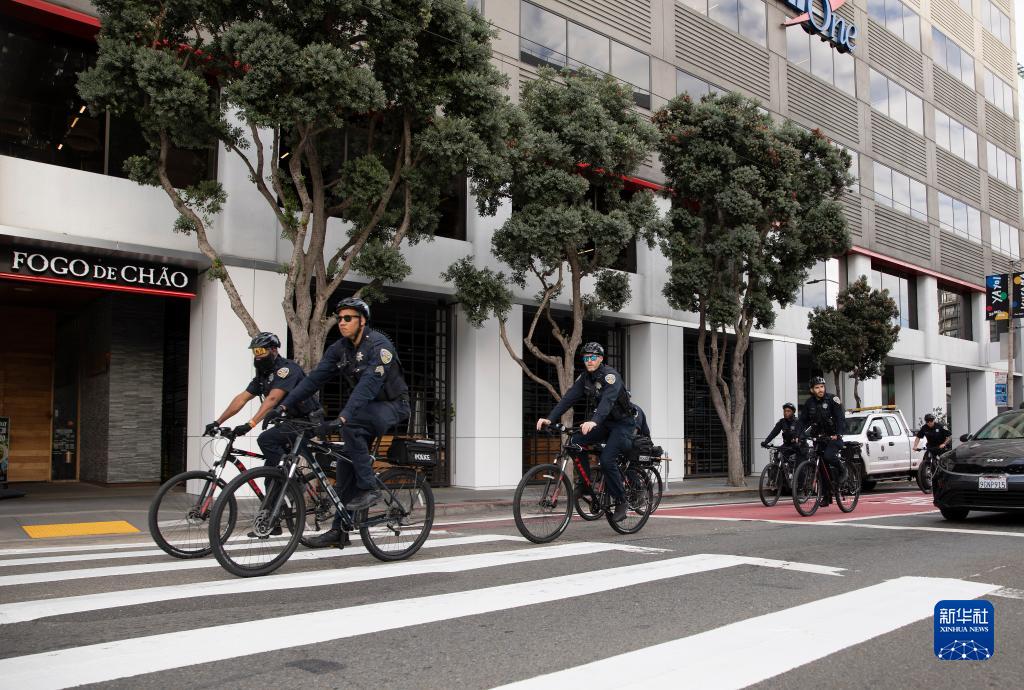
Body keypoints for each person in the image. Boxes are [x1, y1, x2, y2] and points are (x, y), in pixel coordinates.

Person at [274, 297, 410, 549]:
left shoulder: (379, 346)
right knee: (345, 467)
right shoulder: (340, 348)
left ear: (363, 321)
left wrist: (344, 416)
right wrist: (283, 405)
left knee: (351, 426)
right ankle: (340, 530)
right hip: (366, 408)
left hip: (393, 405)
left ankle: (370, 487)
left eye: (348, 318)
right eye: (339, 318)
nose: (342, 323)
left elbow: (368, 385)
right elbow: (313, 380)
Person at [536, 342, 634, 523]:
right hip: (604, 423)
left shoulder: (611, 376)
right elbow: (568, 399)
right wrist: (550, 418)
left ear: (601, 359)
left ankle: (621, 501)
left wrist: (594, 421)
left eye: (593, 357)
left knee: (607, 460)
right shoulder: (585, 378)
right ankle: (585, 482)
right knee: (575, 442)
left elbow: (607, 402)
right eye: (586, 358)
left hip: (622, 424)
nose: (589, 360)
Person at [202, 332, 321, 467]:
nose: (257, 356)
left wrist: (250, 424)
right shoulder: (264, 375)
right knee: (270, 471)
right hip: (290, 421)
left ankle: (288, 476)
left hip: (307, 421)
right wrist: (217, 422)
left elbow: (272, 399)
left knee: (266, 439)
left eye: (260, 351)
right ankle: (281, 476)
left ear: (273, 350)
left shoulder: (287, 369)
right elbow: (241, 399)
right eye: (255, 352)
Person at [798, 376, 846, 506]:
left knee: (828, 456)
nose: (820, 389)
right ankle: (827, 495)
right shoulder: (809, 403)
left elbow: (840, 418)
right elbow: (802, 421)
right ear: (812, 390)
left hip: (833, 438)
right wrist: (798, 435)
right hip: (819, 439)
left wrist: (838, 434)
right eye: (817, 387)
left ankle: (842, 470)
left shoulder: (833, 399)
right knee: (821, 467)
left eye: (822, 387)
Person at [760, 402, 806, 467]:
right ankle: (778, 470)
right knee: (778, 454)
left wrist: (799, 440)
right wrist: (766, 442)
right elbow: (773, 433)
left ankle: (796, 471)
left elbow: (801, 433)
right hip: (787, 445)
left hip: (799, 446)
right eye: (784, 411)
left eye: (788, 411)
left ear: (793, 412)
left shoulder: (798, 422)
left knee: (799, 464)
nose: (786, 413)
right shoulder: (782, 422)